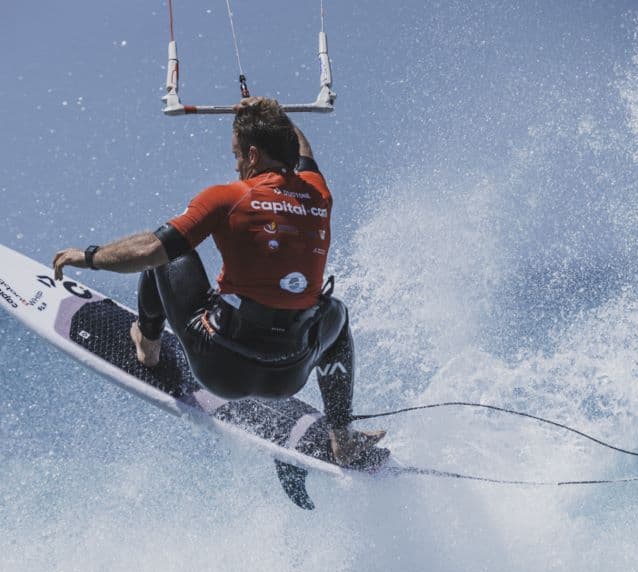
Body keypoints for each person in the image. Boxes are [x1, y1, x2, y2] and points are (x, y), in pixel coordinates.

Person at [53, 97, 387, 469]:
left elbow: (148, 250)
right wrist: (270, 111)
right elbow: (302, 151)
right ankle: (341, 437)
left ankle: (146, 345)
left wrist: (87, 256)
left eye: (237, 155)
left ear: (254, 154)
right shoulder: (317, 194)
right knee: (335, 313)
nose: (237, 164)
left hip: (222, 367)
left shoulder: (228, 197)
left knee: (167, 252)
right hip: (290, 372)